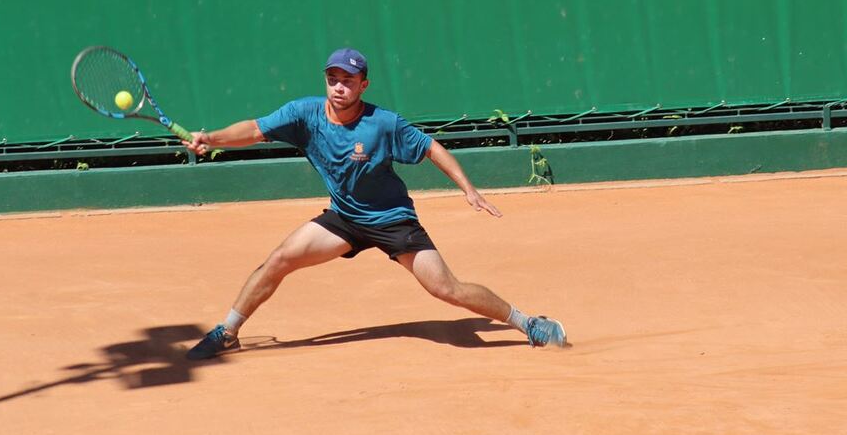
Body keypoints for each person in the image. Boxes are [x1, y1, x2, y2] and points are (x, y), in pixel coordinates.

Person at [183, 48, 568, 359]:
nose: (338, 88)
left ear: (363, 85)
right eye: (332, 79)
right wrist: (211, 138)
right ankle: (228, 332)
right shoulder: (303, 114)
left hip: (393, 220)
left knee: (446, 289)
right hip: (344, 218)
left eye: (348, 81)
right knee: (279, 259)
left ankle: (529, 323)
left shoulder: (384, 124)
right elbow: (254, 129)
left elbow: (431, 147)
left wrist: (468, 188)